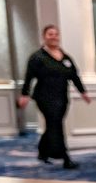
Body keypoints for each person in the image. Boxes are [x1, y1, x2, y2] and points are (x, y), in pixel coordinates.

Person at [18, 25, 91, 169]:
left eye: (56, 34)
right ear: (44, 37)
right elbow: (29, 77)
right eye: (50, 34)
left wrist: (83, 92)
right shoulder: (37, 57)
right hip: (44, 97)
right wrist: (24, 94)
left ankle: (43, 150)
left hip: (62, 97)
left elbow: (74, 76)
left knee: (53, 124)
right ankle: (65, 158)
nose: (54, 37)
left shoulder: (66, 58)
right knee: (56, 124)